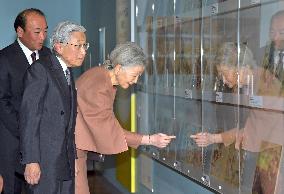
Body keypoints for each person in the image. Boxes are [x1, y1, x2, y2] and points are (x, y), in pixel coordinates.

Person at [191, 11, 284, 194]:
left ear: (240, 69)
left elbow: (252, 131)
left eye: (225, 75)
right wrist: (212, 138)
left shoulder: (263, 83)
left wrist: (214, 138)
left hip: (273, 159)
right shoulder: (248, 85)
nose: (224, 82)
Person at [74, 42, 176, 194]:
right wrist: (150, 140)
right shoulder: (99, 86)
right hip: (69, 152)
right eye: (134, 75)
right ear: (119, 68)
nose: (135, 81)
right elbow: (108, 128)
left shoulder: (100, 76)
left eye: (139, 76)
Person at [19, 21, 88, 194]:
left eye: (85, 45)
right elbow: (29, 119)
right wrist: (31, 160)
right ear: (58, 47)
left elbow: (68, 124)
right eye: (78, 46)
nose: (83, 51)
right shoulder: (40, 70)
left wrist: (72, 159)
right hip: (44, 160)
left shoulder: (67, 71)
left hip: (63, 159)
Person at [0, 8, 50, 194]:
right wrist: (25, 129)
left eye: (45, 30)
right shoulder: (4, 59)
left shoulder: (49, 57)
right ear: (20, 32)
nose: (43, 36)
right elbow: (2, 101)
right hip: (12, 139)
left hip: (42, 143)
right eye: (37, 32)